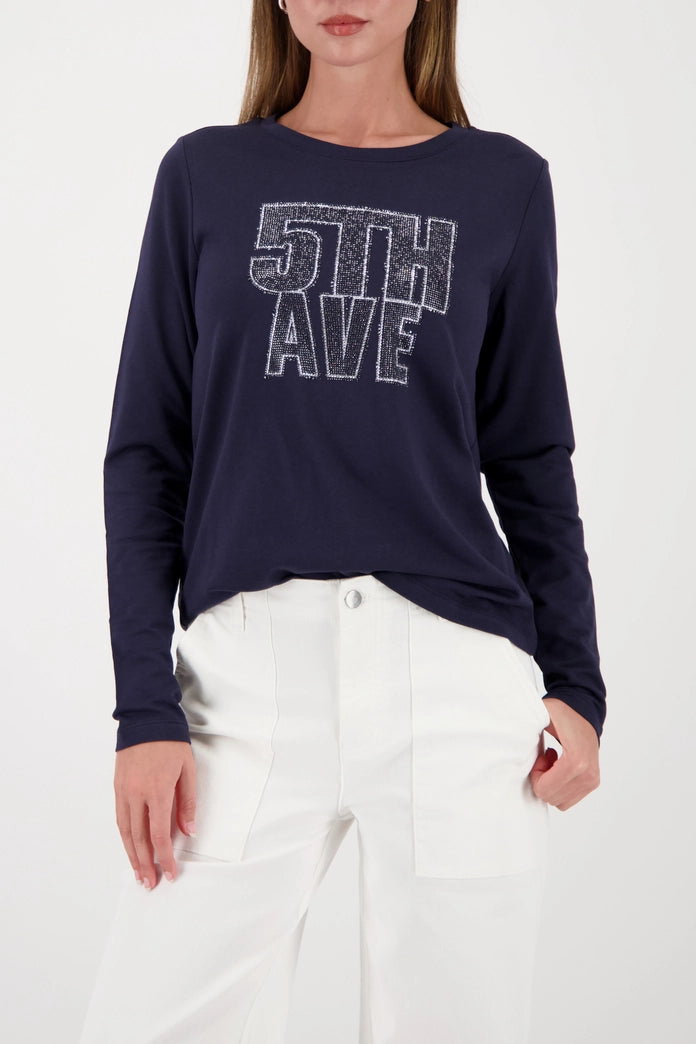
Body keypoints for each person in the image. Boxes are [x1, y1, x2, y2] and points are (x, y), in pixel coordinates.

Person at [79, 1, 606, 1041]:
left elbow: (531, 455)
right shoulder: (205, 175)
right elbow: (146, 455)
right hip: (245, 679)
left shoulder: (503, 183)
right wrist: (144, 710)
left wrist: (578, 686)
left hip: (456, 677)